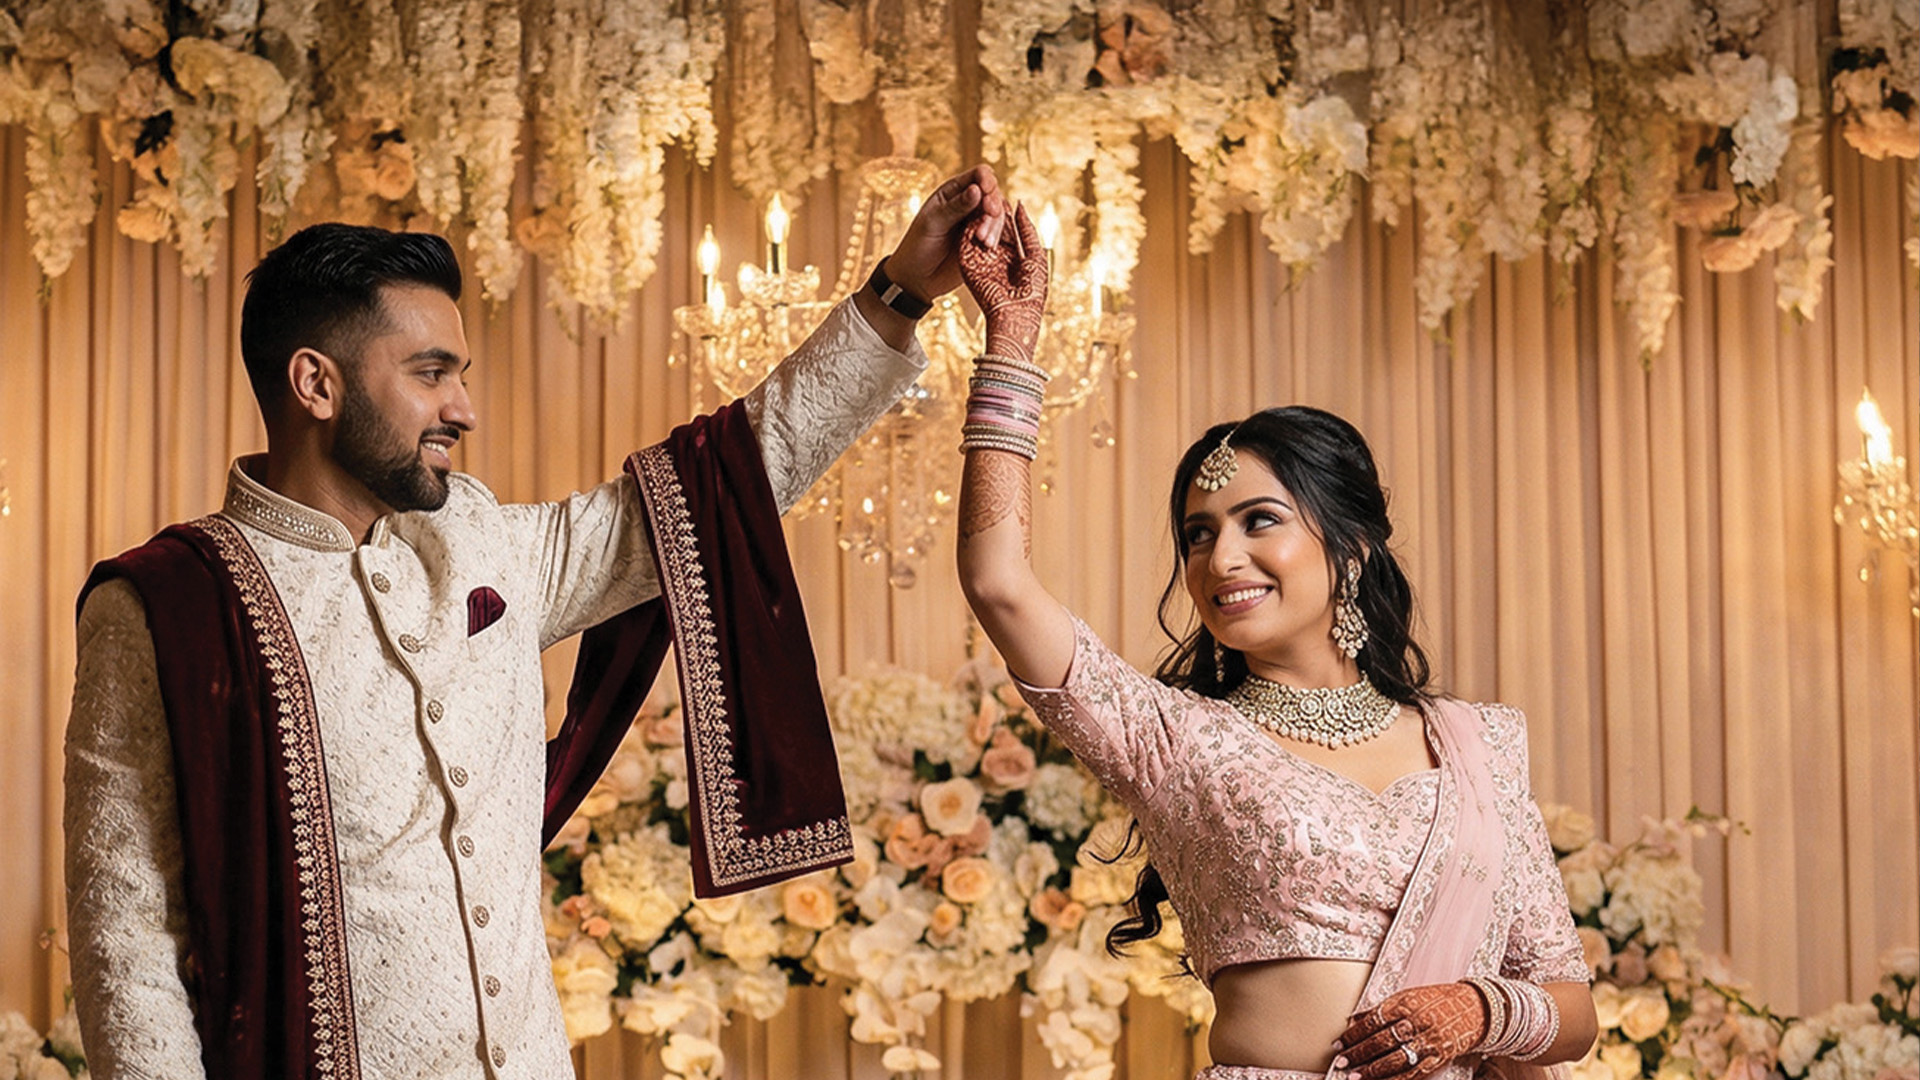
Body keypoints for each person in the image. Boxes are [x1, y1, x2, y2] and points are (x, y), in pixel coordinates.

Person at [62, 166, 1011, 1080]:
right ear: (316, 384)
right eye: (431, 374)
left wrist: (897, 294)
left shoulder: (480, 543)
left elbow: (722, 485)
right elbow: (127, 941)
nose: (463, 408)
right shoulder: (166, 608)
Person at [952, 210, 1599, 1080]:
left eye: (1260, 521)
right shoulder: (1176, 741)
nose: (1221, 558)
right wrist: (1012, 341)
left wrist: (1479, 1008)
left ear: (1351, 548)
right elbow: (997, 580)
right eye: (1198, 534)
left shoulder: (1478, 745)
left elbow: (1571, 1010)